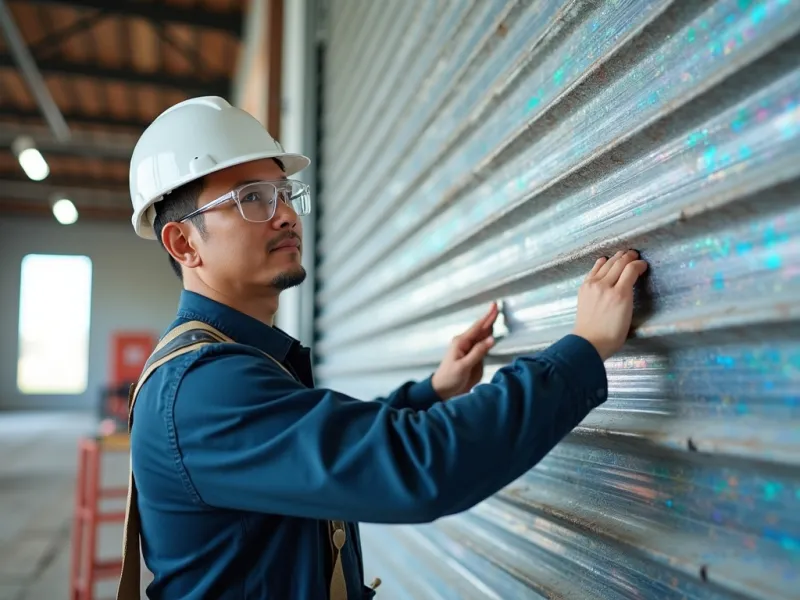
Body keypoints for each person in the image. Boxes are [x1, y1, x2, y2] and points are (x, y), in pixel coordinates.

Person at [118, 96, 648, 600]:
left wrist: (434, 391)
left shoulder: (229, 364)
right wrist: (584, 349)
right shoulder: (204, 387)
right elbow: (420, 466)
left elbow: (329, 451)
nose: (285, 215)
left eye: (284, 193)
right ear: (184, 243)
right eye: (251, 199)